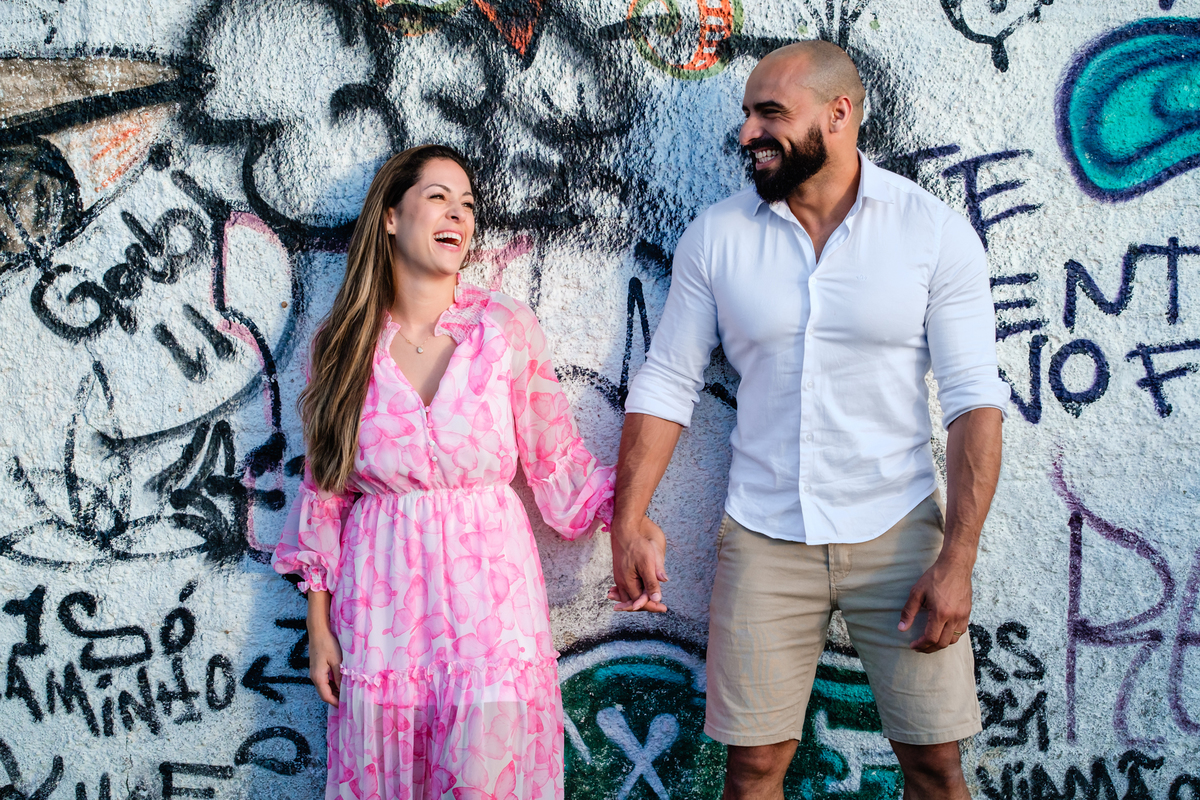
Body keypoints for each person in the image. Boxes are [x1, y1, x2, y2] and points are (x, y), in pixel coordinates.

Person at [609, 41, 1008, 800]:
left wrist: (957, 560)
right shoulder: (718, 237)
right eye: (747, 113)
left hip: (898, 533)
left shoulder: (931, 233)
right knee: (754, 767)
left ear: (839, 114)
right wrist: (628, 517)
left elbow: (972, 403)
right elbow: (666, 381)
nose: (748, 133)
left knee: (932, 763)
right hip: (763, 533)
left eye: (771, 114)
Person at [273, 144, 614, 800]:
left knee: (488, 776)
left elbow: (557, 460)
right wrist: (319, 627)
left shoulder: (504, 329)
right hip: (381, 608)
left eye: (467, 204)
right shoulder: (342, 344)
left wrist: (625, 521)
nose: (458, 212)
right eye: (438, 197)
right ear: (392, 217)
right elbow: (324, 492)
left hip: (490, 607)